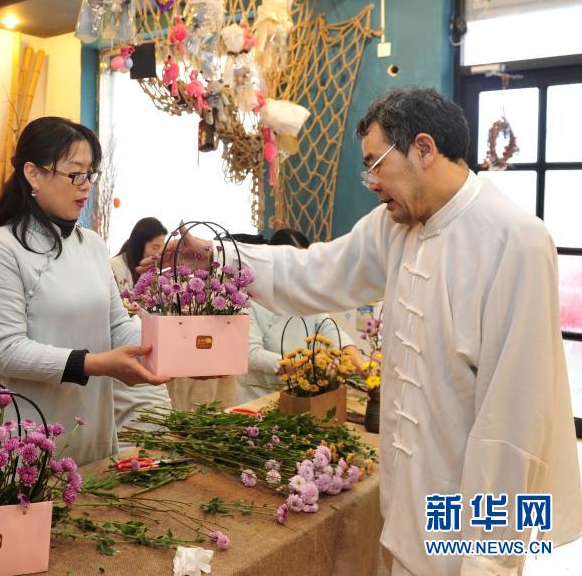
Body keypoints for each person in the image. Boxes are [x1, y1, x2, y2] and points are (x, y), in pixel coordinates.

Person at [153, 88, 582, 575]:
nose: (371, 183)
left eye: (377, 164)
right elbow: (314, 273)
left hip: (466, 521)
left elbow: (514, 419)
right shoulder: (394, 225)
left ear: (424, 149)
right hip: (405, 500)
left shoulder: (516, 239)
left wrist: (491, 560)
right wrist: (218, 257)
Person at [0, 116, 170, 465]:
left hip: (88, 420)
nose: (85, 186)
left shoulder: (91, 244)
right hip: (23, 428)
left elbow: (117, 326)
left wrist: (178, 347)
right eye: (74, 174)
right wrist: (94, 364)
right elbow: (5, 349)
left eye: (90, 174)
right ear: (33, 174)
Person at [238, 228, 361, 404]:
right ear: (273, 264)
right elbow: (250, 354)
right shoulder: (249, 298)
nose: (301, 274)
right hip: (258, 400)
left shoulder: (305, 296)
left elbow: (326, 326)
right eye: (293, 268)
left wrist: (351, 352)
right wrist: (300, 366)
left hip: (298, 396)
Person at [109, 218, 173, 443]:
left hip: (146, 347)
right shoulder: (114, 267)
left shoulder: (151, 273)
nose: (157, 254)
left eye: (160, 249)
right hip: (125, 350)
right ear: (139, 243)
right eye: (154, 247)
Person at [110, 217, 168, 289]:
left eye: (162, 248)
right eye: (155, 248)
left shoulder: (150, 271)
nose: (159, 253)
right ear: (139, 245)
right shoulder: (114, 268)